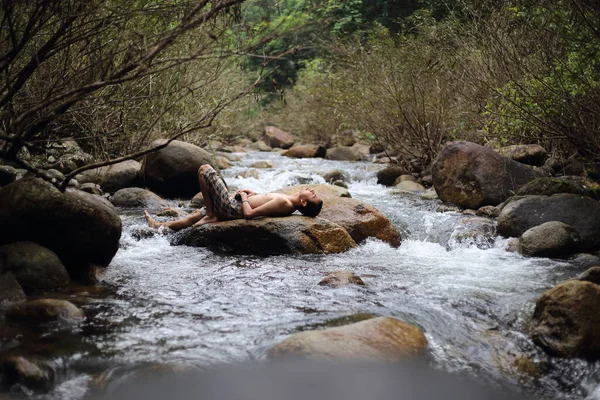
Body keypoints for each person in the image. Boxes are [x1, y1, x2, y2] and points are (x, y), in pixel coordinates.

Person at [144, 164, 323, 231]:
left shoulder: (285, 202)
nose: (312, 190)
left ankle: (212, 215)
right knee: (192, 218)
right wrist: (253, 194)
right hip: (233, 205)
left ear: (304, 202)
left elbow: (250, 214)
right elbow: (264, 201)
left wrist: (244, 197)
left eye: (313, 195)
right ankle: (159, 227)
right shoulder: (288, 201)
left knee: (204, 169)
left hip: (232, 208)